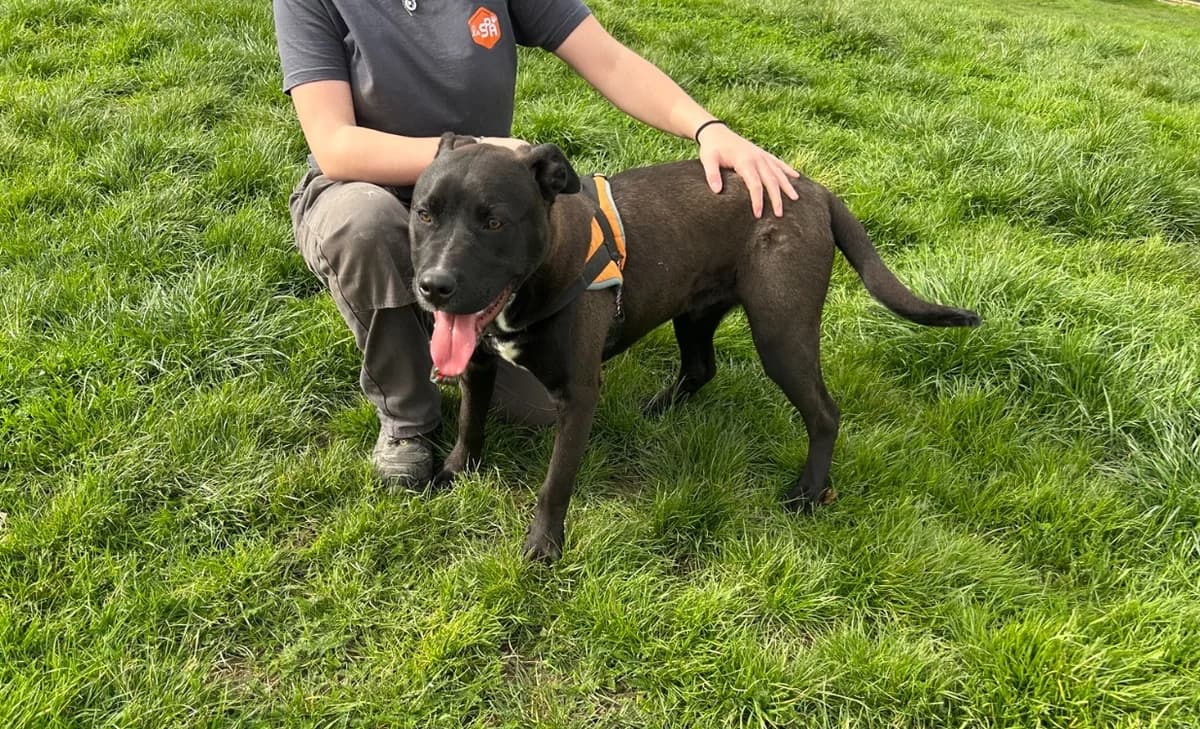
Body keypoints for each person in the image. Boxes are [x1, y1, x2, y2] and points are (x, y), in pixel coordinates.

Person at [273, 0, 800, 488]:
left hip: (484, 206)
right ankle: (407, 416)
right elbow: (336, 144)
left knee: (540, 409)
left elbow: (608, 60)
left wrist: (707, 128)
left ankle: (454, 319)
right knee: (366, 227)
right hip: (363, 187)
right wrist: (467, 148)